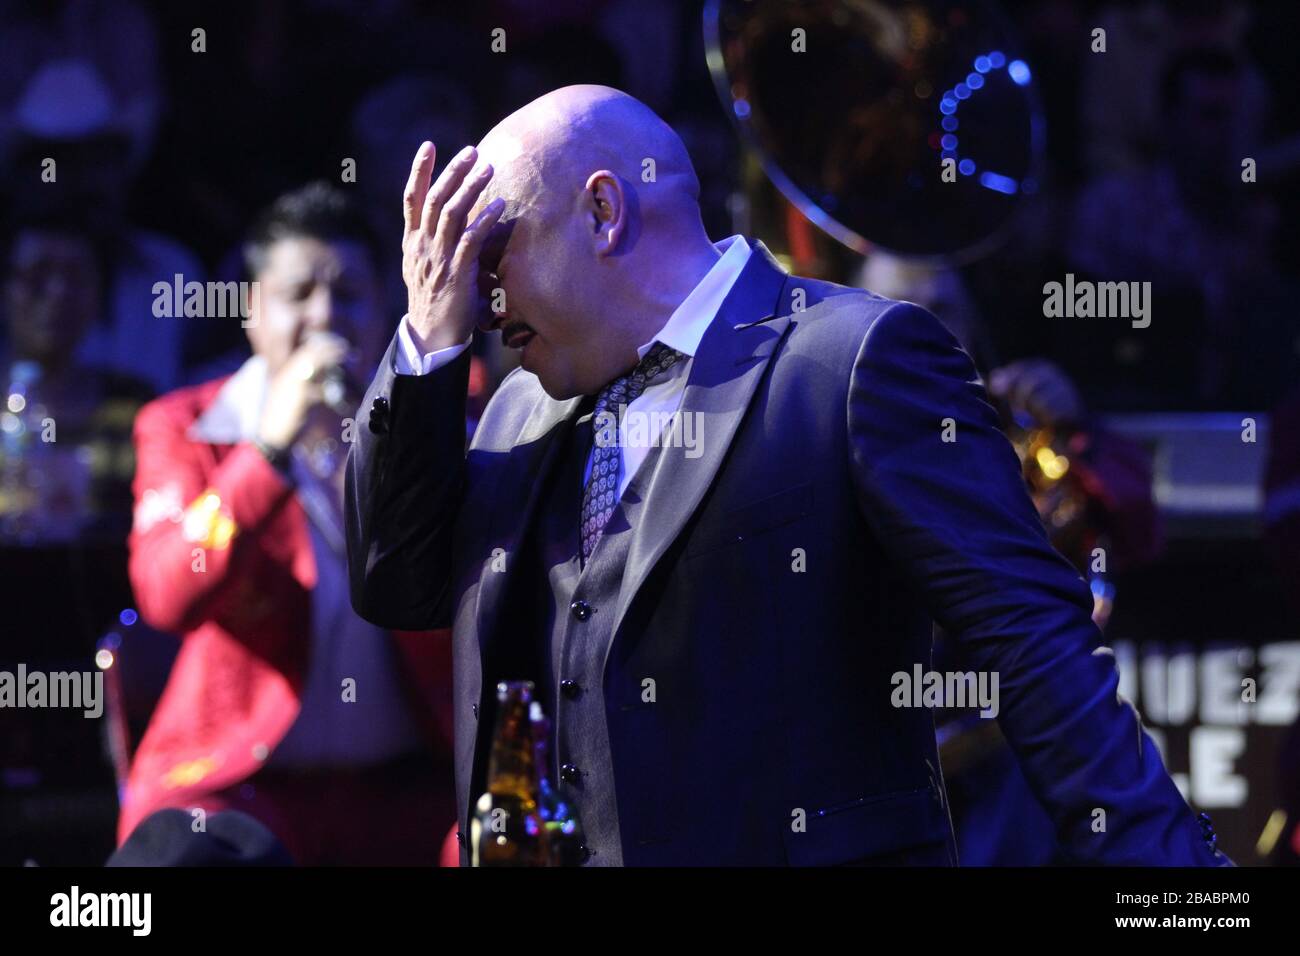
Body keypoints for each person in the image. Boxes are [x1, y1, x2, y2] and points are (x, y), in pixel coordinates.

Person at [346, 85, 1228, 866]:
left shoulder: (854, 358)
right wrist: (425, 341)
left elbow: (1034, 646)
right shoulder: (514, 408)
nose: (479, 292)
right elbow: (396, 584)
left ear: (604, 211)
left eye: (491, 250)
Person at [120, 183, 455, 865]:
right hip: (241, 788)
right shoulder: (186, 426)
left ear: (388, 307)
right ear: (251, 313)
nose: (326, 316)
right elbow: (164, 594)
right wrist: (267, 454)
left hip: (413, 792)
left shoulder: (442, 422)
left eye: (350, 293)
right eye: (299, 294)